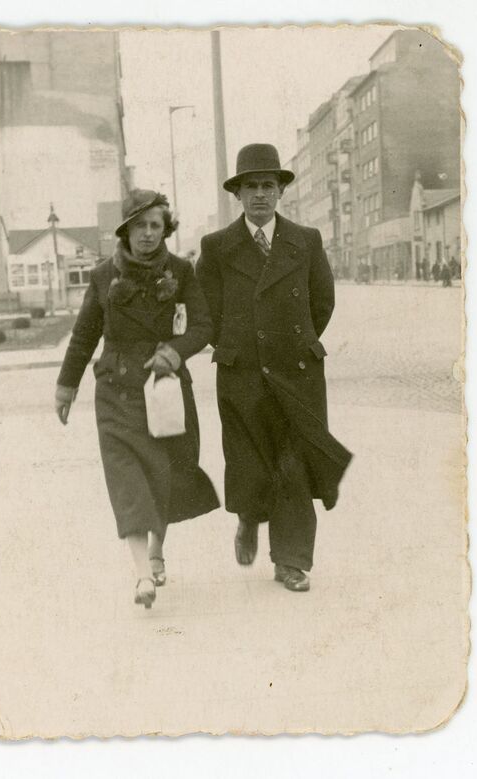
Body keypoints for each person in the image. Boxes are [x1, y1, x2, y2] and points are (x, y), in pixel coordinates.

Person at [196, 144, 352, 593]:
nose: (260, 194)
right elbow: (207, 309)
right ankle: (249, 517)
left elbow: (322, 301)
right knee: (251, 463)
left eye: (268, 185)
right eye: (251, 187)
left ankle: (291, 561)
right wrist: (235, 345)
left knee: (294, 465)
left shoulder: (306, 240)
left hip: (297, 373)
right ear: (238, 194)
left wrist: (295, 341)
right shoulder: (217, 246)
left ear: (281, 191)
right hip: (242, 373)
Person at [55, 189, 219, 609]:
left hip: (164, 389)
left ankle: (156, 550)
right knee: (127, 479)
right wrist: (66, 385)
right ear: (125, 230)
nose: (147, 233)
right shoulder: (103, 276)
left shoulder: (181, 271)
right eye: (139, 226)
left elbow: (203, 326)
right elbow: (84, 335)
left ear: (166, 229)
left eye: (155, 226)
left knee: (165, 472)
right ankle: (142, 574)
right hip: (117, 389)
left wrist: (174, 352)